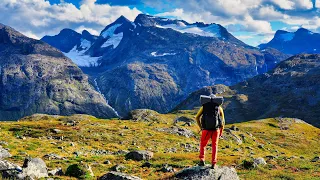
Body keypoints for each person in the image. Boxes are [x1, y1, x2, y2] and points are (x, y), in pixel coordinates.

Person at [195, 94, 225, 169]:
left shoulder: (204, 107)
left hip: (206, 130)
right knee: (214, 146)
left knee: (203, 144)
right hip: (216, 129)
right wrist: (221, 131)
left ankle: (202, 160)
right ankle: (213, 163)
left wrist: (201, 127)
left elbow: (197, 117)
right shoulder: (219, 108)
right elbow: (223, 121)